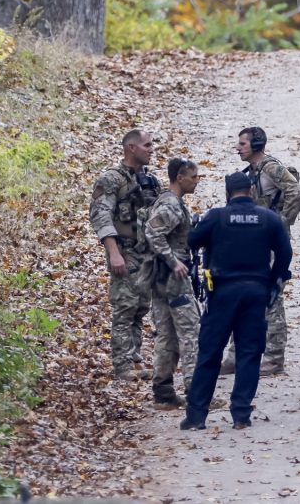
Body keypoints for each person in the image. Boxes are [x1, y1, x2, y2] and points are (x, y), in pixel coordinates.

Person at [181, 172, 292, 430]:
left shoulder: (216, 217)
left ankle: (197, 416)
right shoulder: (269, 219)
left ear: (228, 193)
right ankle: (241, 414)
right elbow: (285, 253)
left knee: (209, 354)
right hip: (256, 292)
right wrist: (274, 281)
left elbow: (191, 242)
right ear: (252, 190)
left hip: (222, 292)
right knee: (249, 354)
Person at [220, 126, 300, 377]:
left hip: (270, 246)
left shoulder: (270, 168)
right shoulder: (252, 173)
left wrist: (280, 222)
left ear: (256, 144)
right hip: (253, 244)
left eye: (243, 144)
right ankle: (235, 357)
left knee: (271, 296)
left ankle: (275, 359)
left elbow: (296, 192)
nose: (238, 148)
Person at [89, 129, 162, 382]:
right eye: (147, 145)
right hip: (125, 252)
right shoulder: (111, 180)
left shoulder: (150, 181)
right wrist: (113, 252)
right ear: (131, 148)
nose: (152, 149)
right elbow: (100, 215)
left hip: (147, 255)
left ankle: (133, 357)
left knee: (140, 308)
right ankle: (122, 367)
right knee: (125, 308)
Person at [144, 158, 201, 409]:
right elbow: (152, 232)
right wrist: (174, 261)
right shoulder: (171, 205)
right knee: (191, 332)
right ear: (180, 177)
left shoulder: (170, 203)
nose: (196, 181)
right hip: (174, 278)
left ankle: (164, 393)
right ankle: (197, 392)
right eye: (193, 176)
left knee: (166, 335)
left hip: (159, 278)